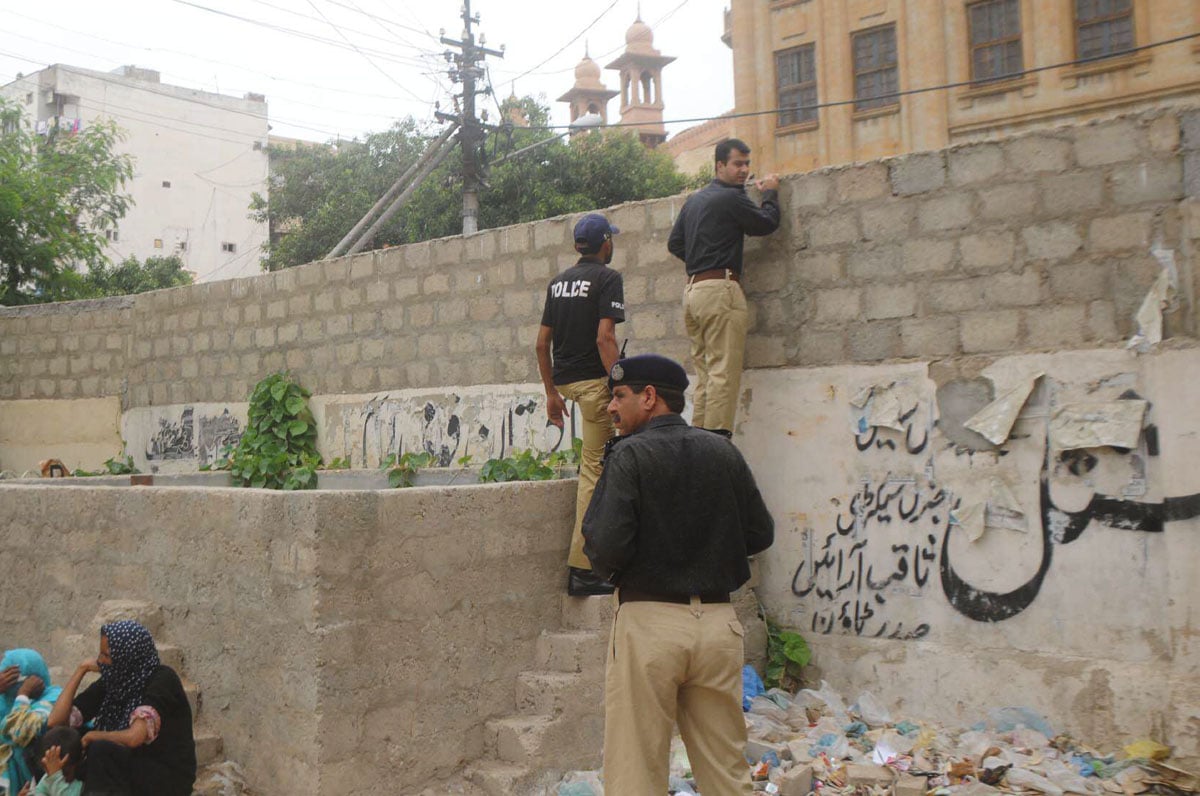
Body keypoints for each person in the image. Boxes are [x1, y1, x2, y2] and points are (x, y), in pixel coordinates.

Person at [582, 353, 775, 795]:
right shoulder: (723, 451)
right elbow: (760, 533)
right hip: (718, 627)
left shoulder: (630, 455)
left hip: (650, 625)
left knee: (636, 768)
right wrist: (710, 553)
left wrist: (628, 565)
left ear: (650, 398)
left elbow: (606, 545)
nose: (611, 407)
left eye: (619, 396)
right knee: (726, 768)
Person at [535, 212, 626, 597]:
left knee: (595, 464)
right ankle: (584, 569)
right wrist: (623, 384)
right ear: (605, 243)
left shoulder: (558, 284)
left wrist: (552, 394)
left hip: (566, 383)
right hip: (593, 387)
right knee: (594, 470)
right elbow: (606, 339)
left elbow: (541, 344)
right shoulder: (608, 278)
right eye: (612, 240)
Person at [668, 138, 781, 437]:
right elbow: (766, 223)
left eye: (747, 164)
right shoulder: (732, 198)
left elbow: (674, 243)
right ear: (720, 166)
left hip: (693, 293)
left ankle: (699, 441)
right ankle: (716, 446)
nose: (744, 170)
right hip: (720, 290)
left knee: (705, 374)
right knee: (722, 374)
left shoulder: (694, 200)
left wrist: (699, 260)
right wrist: (770, 193)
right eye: (737, 164)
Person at [47, 620, 196, 796]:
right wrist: (82, 669)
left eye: (106, 656)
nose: (100, 661)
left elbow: (135, 737)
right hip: (131, 764)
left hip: (166, 776)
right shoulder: (115, 680)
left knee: (101, 749)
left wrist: (94, 736)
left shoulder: (162, 680)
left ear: (128, 656)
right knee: (55, 742)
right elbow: (55, 721)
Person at [0, 649, 63, 793]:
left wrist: (22, 695)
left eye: (9, 678)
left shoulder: (55, 699)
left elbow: (17, 731)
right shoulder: (4, 700)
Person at [19, 726, 83, 796]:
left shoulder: (81, 786)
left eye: (65, 773)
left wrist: (56, 777)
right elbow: (40, 792)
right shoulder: (49, 776)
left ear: (78, 764)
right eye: (49, 771)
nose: (60, 777)